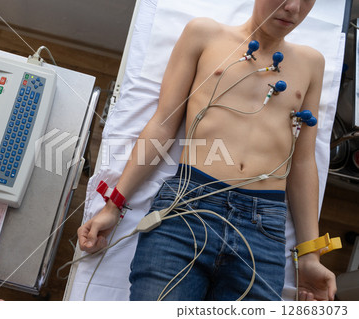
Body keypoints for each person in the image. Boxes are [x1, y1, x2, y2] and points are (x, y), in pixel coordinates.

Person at [78, 0, 336, 301]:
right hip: (187, 207)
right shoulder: (204, 35)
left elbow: (303, 162)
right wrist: (113, 206)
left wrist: (310, 256)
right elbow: (163, 124)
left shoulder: (311, 63)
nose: (293, 7)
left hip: (262, 230)